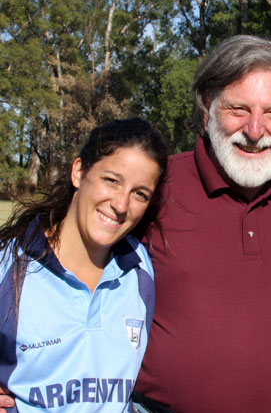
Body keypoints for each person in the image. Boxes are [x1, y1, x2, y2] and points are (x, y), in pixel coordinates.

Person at [132, 35, 271, 412]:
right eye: (238, 109)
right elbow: (67, 266)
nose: (255, 131)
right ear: (207, 107)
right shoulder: (158, 185)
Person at [0, 118, 167, 411]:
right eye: (111, 180)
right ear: (79, 172)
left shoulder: (142, 268)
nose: (121, 204)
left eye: (139, 193)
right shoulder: (8, 264)